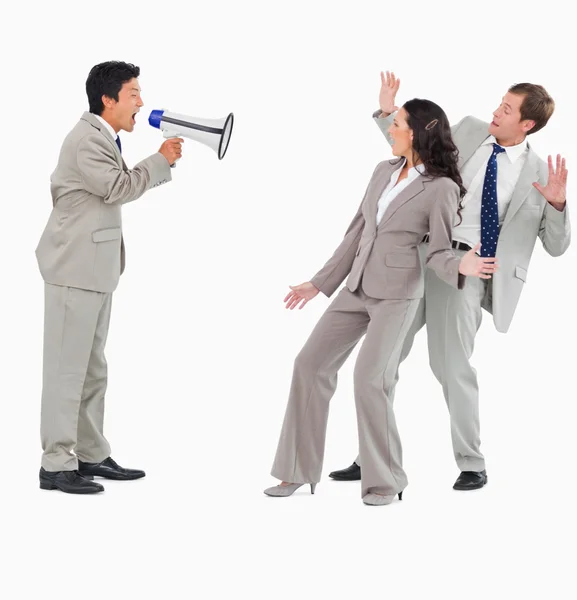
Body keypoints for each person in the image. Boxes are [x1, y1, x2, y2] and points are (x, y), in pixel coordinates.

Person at [329, 72, 570, 491]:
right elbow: (416, 149)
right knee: (382, 361)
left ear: (527, 125)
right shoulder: (472, 130)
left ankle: (472, 462)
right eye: (500, 103)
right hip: (416, 256)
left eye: (507, 110)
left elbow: (556, 245)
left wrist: (558, 204)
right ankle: (371, 458)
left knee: (451, 366)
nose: (497, 111)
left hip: (468, 270)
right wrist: (388, 113)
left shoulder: (539, 173)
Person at [264, 99, 498, 506]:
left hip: (398, 294)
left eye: (399, 124)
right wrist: (320, 284)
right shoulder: (382, 171)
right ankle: (297, 471)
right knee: (309, 365)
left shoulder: (442, 187)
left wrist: (463, 263)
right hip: (355, 286)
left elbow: (439, 250)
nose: (391, 130)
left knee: (370, 379)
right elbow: (356, 232)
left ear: (418, 132)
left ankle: (385, 481)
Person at [35, 61, 183, 494]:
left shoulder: (104, 137)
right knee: (67, 371)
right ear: (108, 99)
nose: (141, 102)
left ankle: (90, 454)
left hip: (93, 269)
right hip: (73, 269)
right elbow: (117, 187)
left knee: (92, 370)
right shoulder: (87, 140)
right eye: (134, 93)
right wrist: (160, 161)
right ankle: (55, 464)